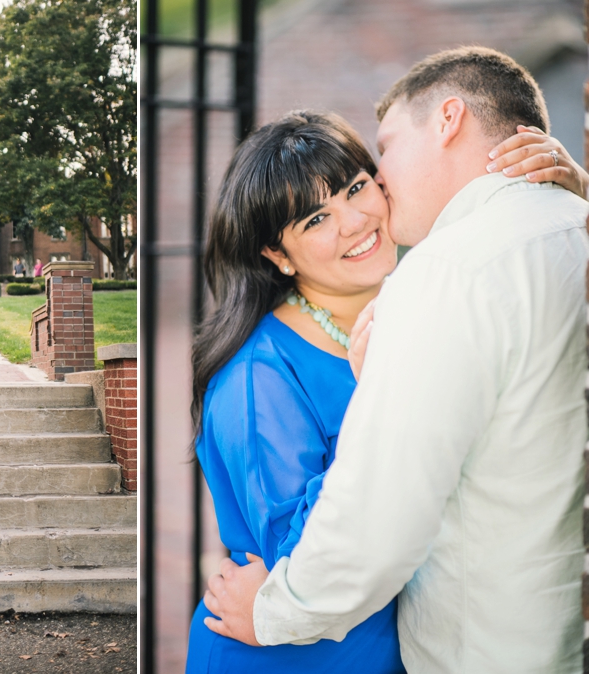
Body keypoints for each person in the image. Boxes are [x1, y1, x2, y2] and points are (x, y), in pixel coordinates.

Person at [203, 47, 589, 672]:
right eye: (317, 217)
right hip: (299, 651)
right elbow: (294, 553)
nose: (361, 215)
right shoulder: (258, 378)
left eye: (359, 184)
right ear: (278, 254)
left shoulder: (440, 286)